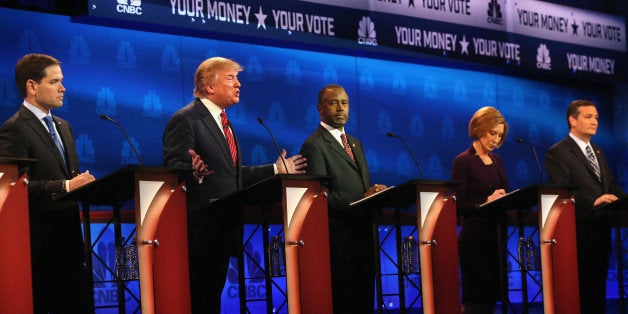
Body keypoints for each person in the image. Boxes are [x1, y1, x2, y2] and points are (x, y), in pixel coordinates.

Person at [162, 56, 306, 313]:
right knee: (200, 301)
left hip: (223, 228)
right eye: (230, 78)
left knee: (211, 301)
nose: (238, 84)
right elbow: (174, 168)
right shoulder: (187, 119)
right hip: (200, 231)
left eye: (237, 78)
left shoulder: (223, 122)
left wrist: (275, 170)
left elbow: (233, 175)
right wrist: (192, 171)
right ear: (209, 86)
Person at [0, 53, 95, 313]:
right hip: (40, 250)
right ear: (32, 86)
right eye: (54, 82)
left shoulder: (64, 126)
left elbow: (70, 176)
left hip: (72, 245)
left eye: (61, 81)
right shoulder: (15, 129)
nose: (63, 88)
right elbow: (13, 189)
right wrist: (65, 187)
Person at [299, 84, 386, 313]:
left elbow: (362, 186)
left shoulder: (356, 143)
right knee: (344, 302)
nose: (340, 108)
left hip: (363, 236)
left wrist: (374, 193)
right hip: (338, 241)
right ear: (320, 108)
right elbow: (319, 196)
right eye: (333, 102)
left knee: (364, 301)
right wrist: (362, 196)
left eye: (344, 103)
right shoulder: (313, 145)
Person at [544, 100, 625, 313]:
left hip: (601, 233)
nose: (595, 121)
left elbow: (611, 185)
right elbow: (562, 191)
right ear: (573, 120)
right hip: (577, 235)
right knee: (581, 297)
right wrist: (593, 202)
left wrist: (622, 199)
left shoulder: (597, 151)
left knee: (597, 296)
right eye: (588, 117)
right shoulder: (558, 152)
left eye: (597, 117)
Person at [451, 106, 509, 314]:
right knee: (477, 302)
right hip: (475, 240)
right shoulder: (464, 161)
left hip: (496, 237)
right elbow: (457, 205)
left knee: (493, 300)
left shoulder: (497, 161)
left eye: (500, 135)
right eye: (492, 132)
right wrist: (486, 200)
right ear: (479, 128)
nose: (495, 139)